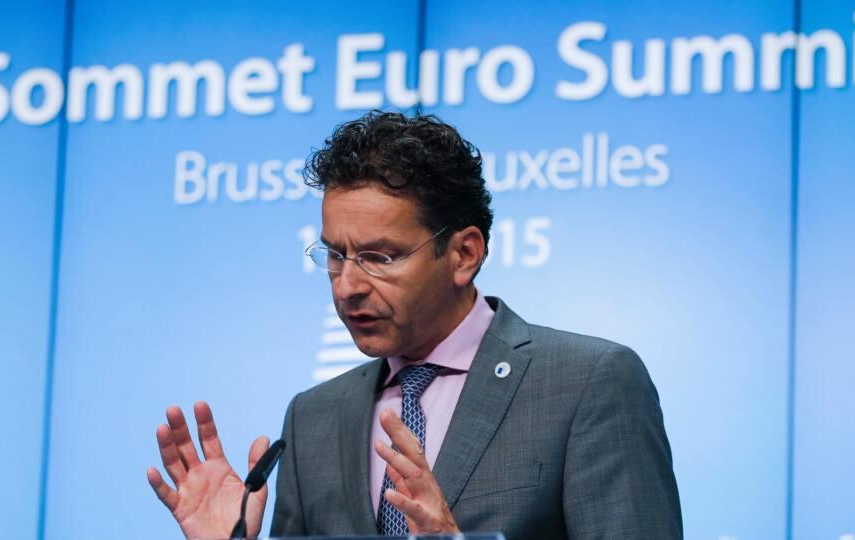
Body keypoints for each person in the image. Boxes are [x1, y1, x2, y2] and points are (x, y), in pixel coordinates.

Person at [147, 111, 682, 539]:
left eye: (380, 257)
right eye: (335, 254)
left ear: (464, 254)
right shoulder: (313, 418)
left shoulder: (587, 384)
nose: (347, 285)